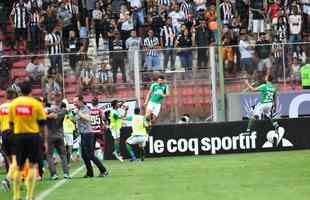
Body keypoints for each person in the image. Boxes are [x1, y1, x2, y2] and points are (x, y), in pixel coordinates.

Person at [9, 79, 48, 200]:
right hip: (33, 136)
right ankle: (29, 196)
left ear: (20, 90)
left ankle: (16, 196)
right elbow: (42, 124)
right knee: (32, 166)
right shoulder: (36, 104)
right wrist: (45, 141)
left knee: (19, 167)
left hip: (19, 136)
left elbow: (11, 124)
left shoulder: (14, 104)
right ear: (31, 91)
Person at [73, 95, 108, 178]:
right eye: (74, 102)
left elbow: (88, 118)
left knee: (90, 155)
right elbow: (77, 119)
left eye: (76, 102)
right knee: (84, 155)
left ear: (81, 101)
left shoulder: (86, 108)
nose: (74, 104)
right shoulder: (79, 109)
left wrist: (78, 113)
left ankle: (103, 170)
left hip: (88, 133)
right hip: (83, 133)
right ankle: (90, 172)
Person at [46, 93, 70, 180]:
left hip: (50, 135)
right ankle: (66, 173)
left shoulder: (48, 110)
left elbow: (41, 115)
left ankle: (54, 174)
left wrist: (48, 115)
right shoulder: (63, 111)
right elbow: (66, 110)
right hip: (60, 135)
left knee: (49, 155)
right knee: (63, 155)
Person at [1, 88, 18, 191]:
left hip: (4, 134)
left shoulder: (1, 107)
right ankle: (7, 180)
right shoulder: (15, 106)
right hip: (14, 133)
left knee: (10, 161)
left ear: (6, 96)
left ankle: (14, 182)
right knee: (17, 160)